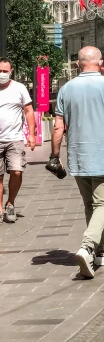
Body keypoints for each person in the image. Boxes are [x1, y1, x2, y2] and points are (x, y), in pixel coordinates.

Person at [51, 46, 104, 279]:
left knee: (90, 205)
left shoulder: (66, 90)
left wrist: (55, 155)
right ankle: (88, 247)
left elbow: (58, 127)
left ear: (78, 64)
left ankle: (101, 251)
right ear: (101, 63)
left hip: (78, 158)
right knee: (103, 205)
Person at [0, 58, 35, 223]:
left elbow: (28, 110)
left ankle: (10, 203)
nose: (2, 74)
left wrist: (32, 134)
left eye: (5, 71)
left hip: (14, 138)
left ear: (11, 71)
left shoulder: (19, 88)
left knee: (16, 171)